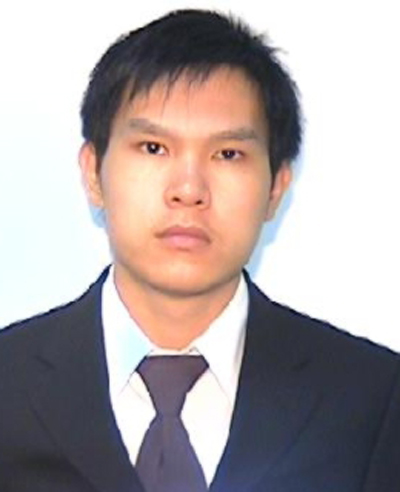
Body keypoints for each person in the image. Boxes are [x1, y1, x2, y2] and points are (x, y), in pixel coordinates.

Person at [0, 8, 399, 492]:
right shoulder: (8, 383)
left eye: (228, 154)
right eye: (153, 148)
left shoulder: (372, 400)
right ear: (93, 173)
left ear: (276, 187)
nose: (189, 190)